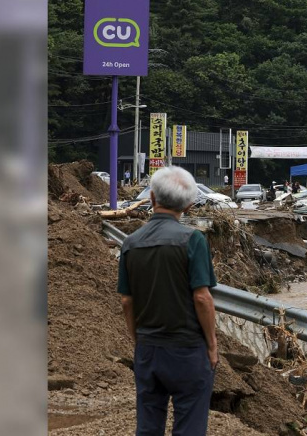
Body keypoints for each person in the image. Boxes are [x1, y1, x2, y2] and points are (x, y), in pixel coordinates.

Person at [117, 166, 218, 436]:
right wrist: (212, 345)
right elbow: (202, 297)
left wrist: (138, 341)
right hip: (187, 350)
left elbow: (127, 302)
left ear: (152, 198)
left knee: (148, 426)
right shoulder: (193, 240)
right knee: (189, 426)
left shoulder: (130, 243)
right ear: (188, 205)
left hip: (149, 348)